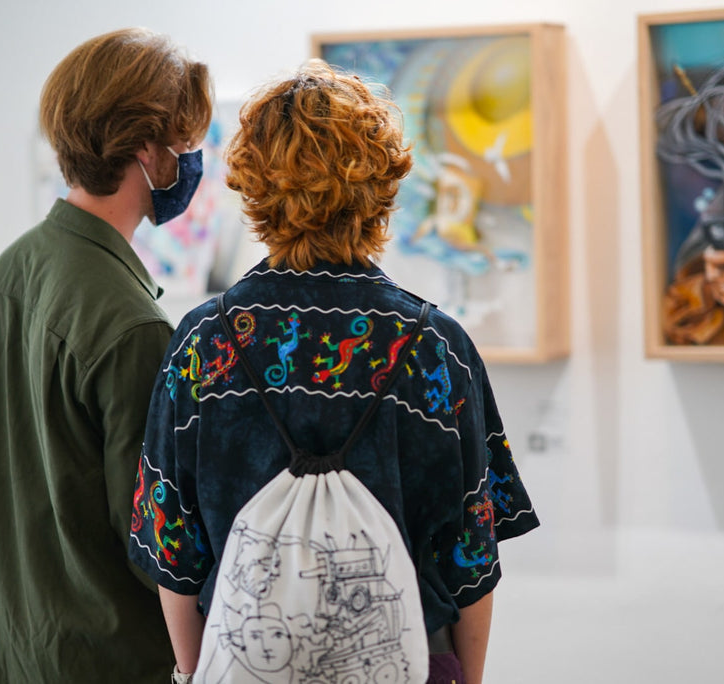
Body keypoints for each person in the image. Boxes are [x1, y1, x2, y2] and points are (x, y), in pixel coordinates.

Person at [128, 60, 539, 684]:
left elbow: (172, 550)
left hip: (248, 660)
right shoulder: (436, 345)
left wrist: (193, 673)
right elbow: (472, 555)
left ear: (255, 183)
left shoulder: (203, 343)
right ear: (383, 181)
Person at [0, 28, 212, 682]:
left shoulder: (12, 270)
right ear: (147, 149)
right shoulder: (133, 326)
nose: (191, 159)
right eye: (184, 141)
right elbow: (153, 547)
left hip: (5, 650)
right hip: (106, 660)